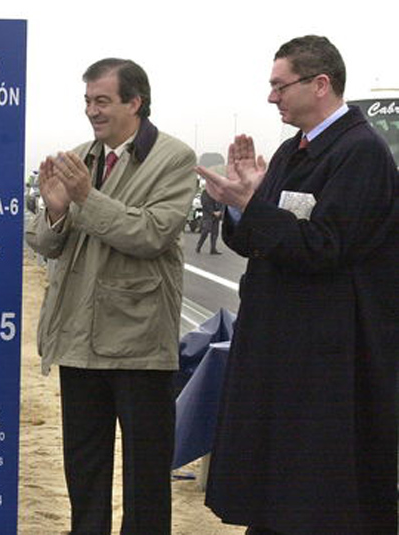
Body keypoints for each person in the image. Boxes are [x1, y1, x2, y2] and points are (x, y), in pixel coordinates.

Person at [197, 35, 399, 535]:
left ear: (321, 84)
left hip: (327, 357)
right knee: (274, 485)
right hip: (280, 346)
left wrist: (255, 206)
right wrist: (241, 205)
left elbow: (325, 246)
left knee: (315, 493)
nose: (272, 98)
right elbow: (255, 241)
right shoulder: (293, 150)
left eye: (279, 85)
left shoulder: (361, 153)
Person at [25, 58, 196, 535]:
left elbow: (151, 234)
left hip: (138, 343)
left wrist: (85, 198)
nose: (92, 112)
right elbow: (48, 245)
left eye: (102, 101)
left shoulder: (174, 158)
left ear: (135, 102)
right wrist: (55, 213)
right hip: (78, 340)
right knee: (84, 470)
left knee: (145, 476)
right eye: (87, 101)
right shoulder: (81, 158)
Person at [195, 188, 223, 254]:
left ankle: (213, 249)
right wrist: (213, 212)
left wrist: (220, 211)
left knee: (215, 233)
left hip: (217, 215)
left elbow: (223, 202)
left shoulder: (219, 192)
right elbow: (205, 204)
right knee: (205, 231)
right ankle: (199, 246)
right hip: (208, 215)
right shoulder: (206, 192)